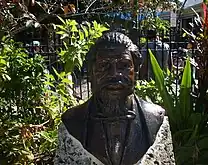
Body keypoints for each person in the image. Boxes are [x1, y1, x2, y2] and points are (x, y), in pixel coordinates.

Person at [54, 32, 172, 165]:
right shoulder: (72, 121)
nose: (115, 74)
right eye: (104, 66)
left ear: (136, 72)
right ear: (91, 73)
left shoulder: (155, 118)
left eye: (124, 66)